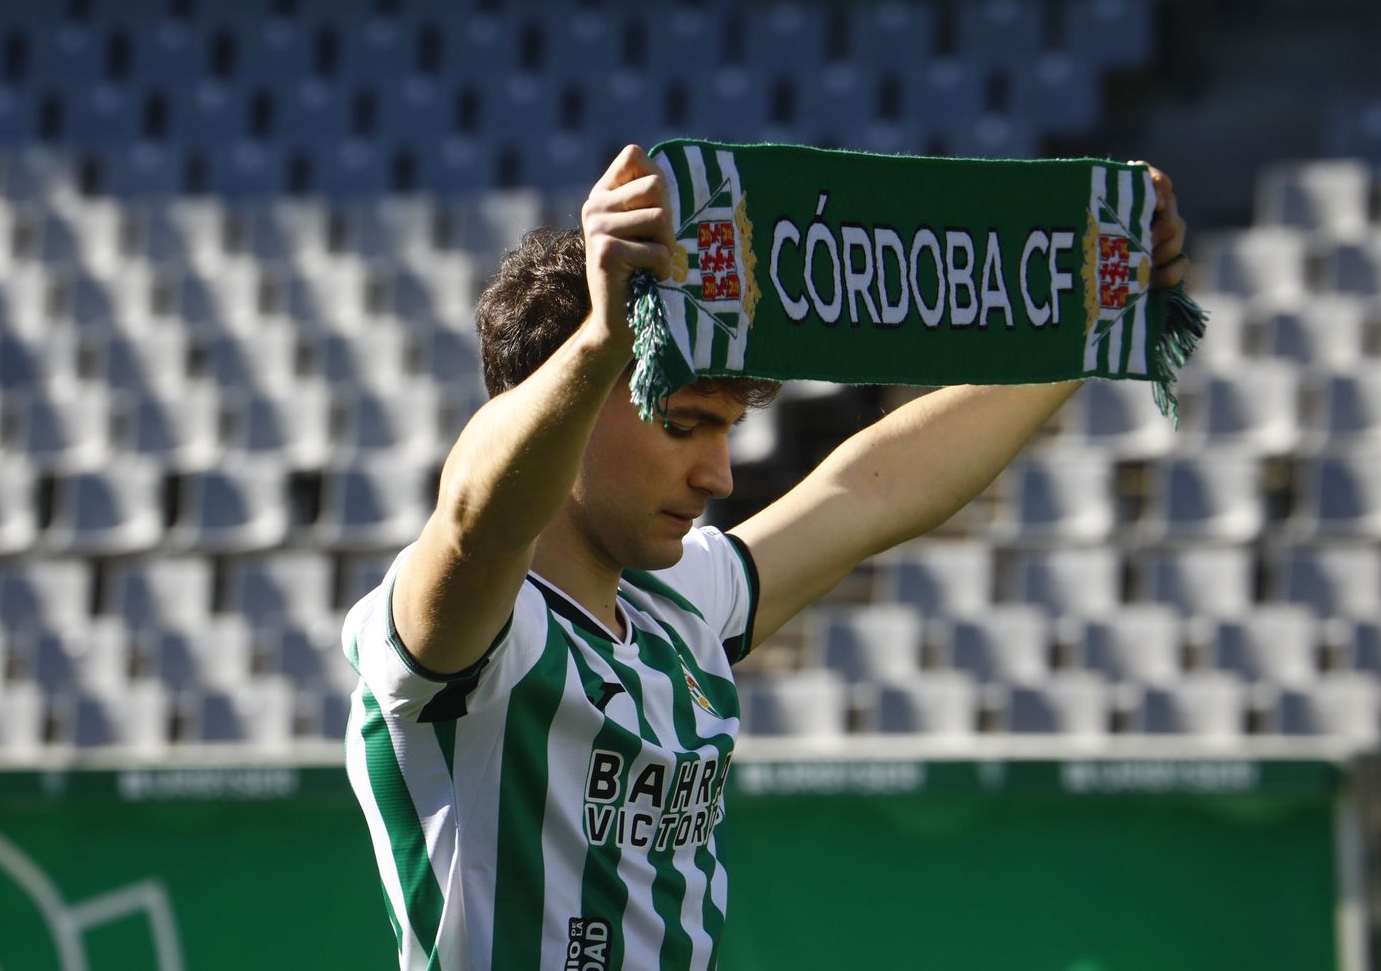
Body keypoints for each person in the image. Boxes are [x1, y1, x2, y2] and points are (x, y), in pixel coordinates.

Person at [343, 144, 1190, 970]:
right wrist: (604, 339)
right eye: (683, 424)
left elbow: (873, 493)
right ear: (574, 405)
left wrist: (1092, 329)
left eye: (725, 430)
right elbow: (471, 520)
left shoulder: (678, 601)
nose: (716, 474)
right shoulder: (459, 638)